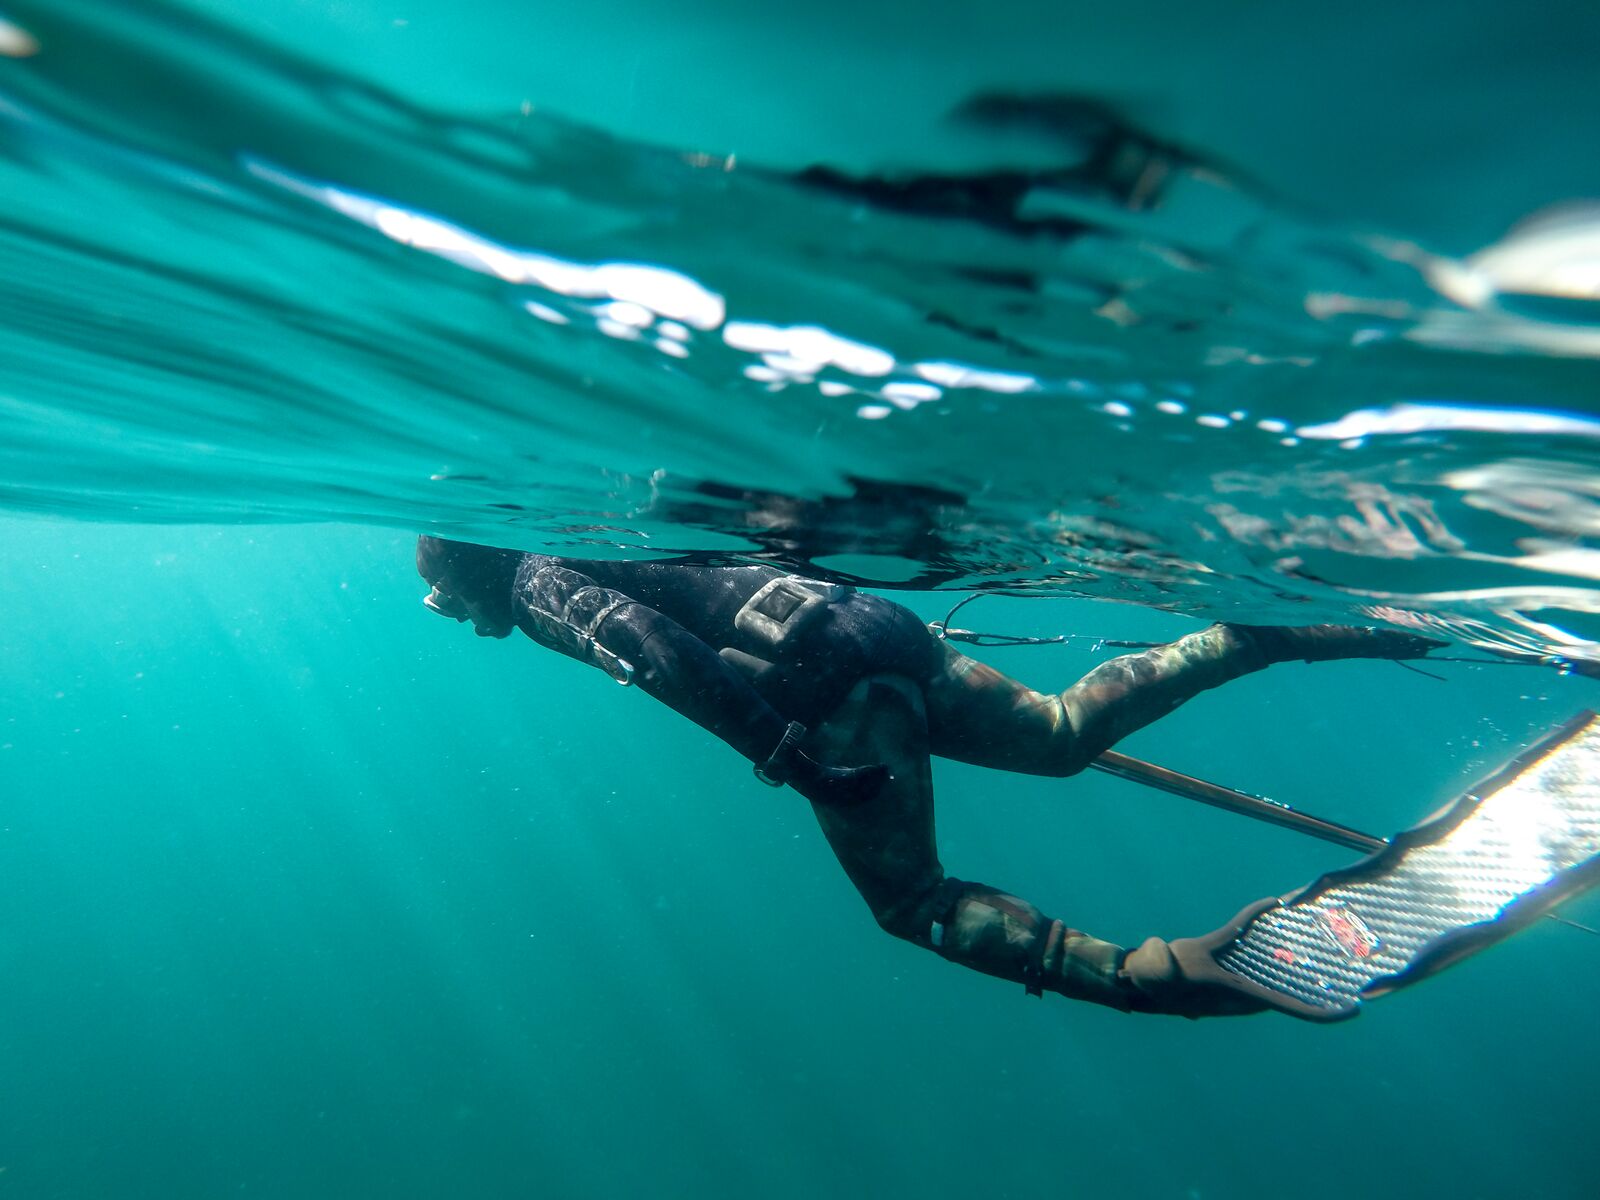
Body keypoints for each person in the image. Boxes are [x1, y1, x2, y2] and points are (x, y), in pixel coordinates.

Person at [416, 536, 1445, 1018]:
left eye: (440, 591)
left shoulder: (536, 576)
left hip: (822, 690)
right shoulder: (592, 522)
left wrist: (784, 752)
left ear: (466, 569)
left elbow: (647, 645)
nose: (447, 612)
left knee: (909, 902)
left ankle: (1156, 976)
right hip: (866, 623)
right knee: (1056, 734)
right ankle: (1250, 639)